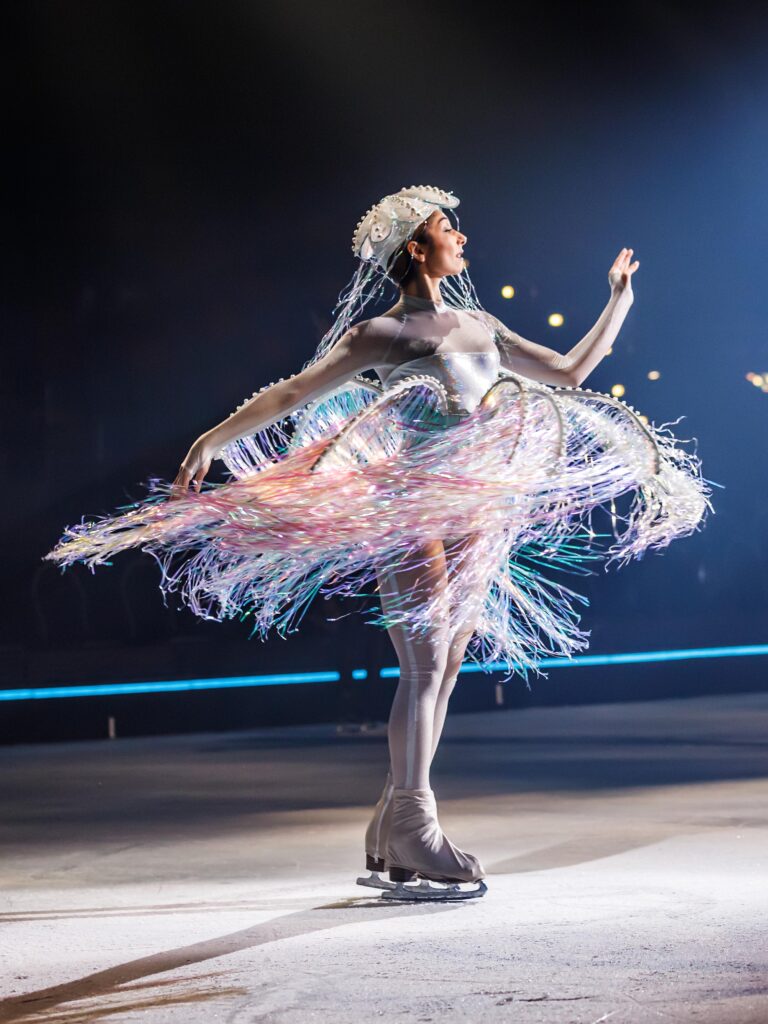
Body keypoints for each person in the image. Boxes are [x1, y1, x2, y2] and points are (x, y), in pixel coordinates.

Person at [46, 185, 712, 902]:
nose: (461, 235)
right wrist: (214, 439)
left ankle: (390, 826)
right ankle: (415, 826)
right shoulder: (382, 335)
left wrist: (619, 299)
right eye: (445, 227)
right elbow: (292, 395)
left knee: (447, 668)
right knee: (424, 668)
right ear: (416, 249)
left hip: (470, 513)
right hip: (409, 512)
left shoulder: (479, 324)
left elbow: (570, 373)